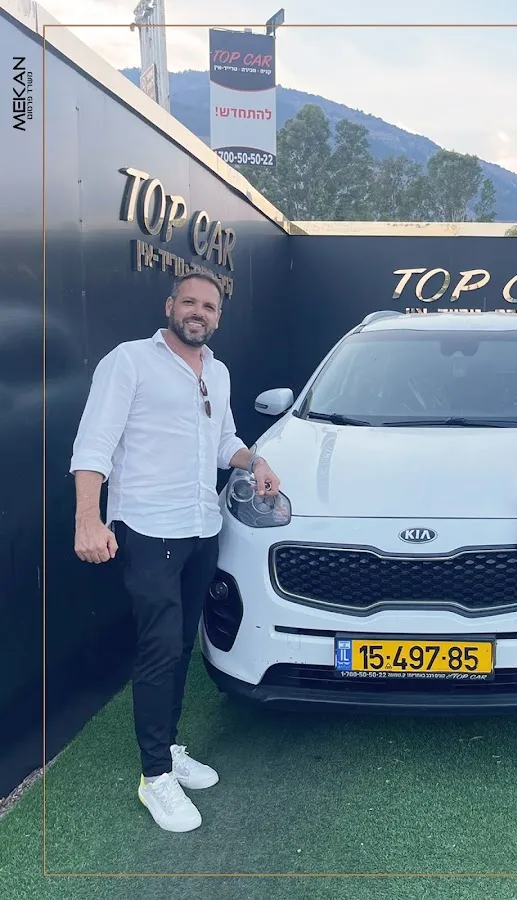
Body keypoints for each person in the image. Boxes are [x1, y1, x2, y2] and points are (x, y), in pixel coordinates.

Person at [70, 271, 282, 832]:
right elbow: (94, 442)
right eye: (189, 302)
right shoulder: (130, 361)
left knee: (182, 643)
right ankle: (154, 776)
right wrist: (88, 517)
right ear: (170, 306)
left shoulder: (218, 372)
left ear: (218, 317)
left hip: (200, 529)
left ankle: (168, 748)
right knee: (160, 647)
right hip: (148, 530)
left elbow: (225, 441)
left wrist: (256, 461)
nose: (198, 312)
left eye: (209, 306)